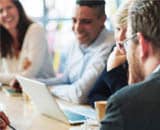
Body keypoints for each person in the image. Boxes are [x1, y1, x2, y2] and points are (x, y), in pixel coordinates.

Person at [100, 0, 160, 130]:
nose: (121, 41)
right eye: (117, 29)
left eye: (128, 40)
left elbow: (132, 102)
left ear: (142, 44)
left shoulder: (124, 104)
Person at [40, 0, 114, 104]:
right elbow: (65, 80)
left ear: (102, 20)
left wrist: (48, 89)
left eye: (86, 22)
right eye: (74, 20)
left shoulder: (111, 46)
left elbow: (79, 95)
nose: (77, 28)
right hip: (74, 108)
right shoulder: (76, 43)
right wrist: (33, 84)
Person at [0, 0, 55, 90]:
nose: (5, 14)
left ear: (19, 8)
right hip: (18, 94)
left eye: (9, 7)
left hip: (45, 94)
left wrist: (6, 78)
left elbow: (28, 75)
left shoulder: (35, 30)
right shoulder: (3, 40)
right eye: (0, 11)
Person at [87, 0, 131, 106]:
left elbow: (129, 106)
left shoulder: (148, 60)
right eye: (118, 29)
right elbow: (94, 95)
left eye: (128, 30)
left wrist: (113, 71)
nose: (120, 37)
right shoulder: (117, 51)